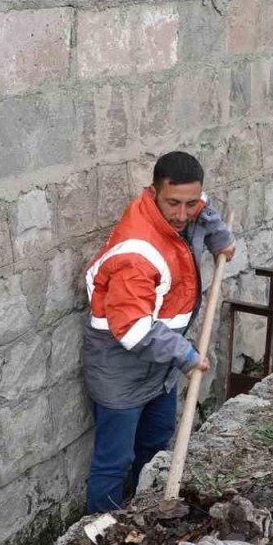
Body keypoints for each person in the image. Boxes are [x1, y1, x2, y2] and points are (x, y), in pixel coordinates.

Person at [81, 151, 235, 514]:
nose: (182, 214)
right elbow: (134, 330)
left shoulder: (186, 206)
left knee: (156, 444)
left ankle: (143, 515)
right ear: (152, 193)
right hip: (120, 371)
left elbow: (204, 209)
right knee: (114, 461)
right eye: (173, 204)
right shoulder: (136, 253)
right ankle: (98, 536)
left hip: (160, 367)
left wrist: (220, 238)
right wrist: (185, 356)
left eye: (189, 203)